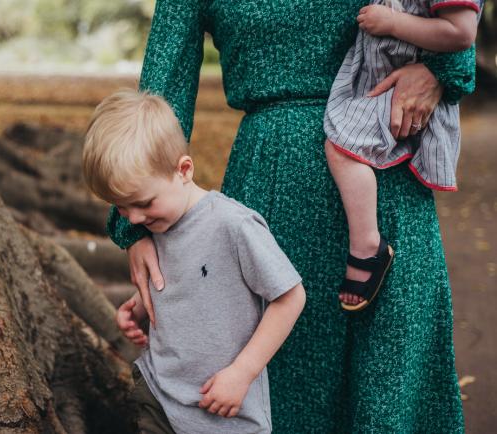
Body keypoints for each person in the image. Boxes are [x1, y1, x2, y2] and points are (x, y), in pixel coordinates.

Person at [107, 1, 478, 431]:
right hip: (268, 185)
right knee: (280, 390)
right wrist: (133, 231)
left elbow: (456, 20)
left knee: (390, 386)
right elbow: (160, 93)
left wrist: (439, 74)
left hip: (384, 173)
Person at [82, 89, 306, 434]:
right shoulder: (154, 226)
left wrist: (243, 372)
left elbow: (290, 297)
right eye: (122, 208)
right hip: (160, 399)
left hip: (224, 413)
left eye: (143, 203)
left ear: (183, 169)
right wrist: (141, 306)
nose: (134, 219)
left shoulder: (233, 225)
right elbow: (184, 286)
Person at [324, 0, 483, 311]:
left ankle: (367, 243)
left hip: (393, 91)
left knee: (342, 145)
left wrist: (392, 22)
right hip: (379, 84)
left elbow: (462, 34)